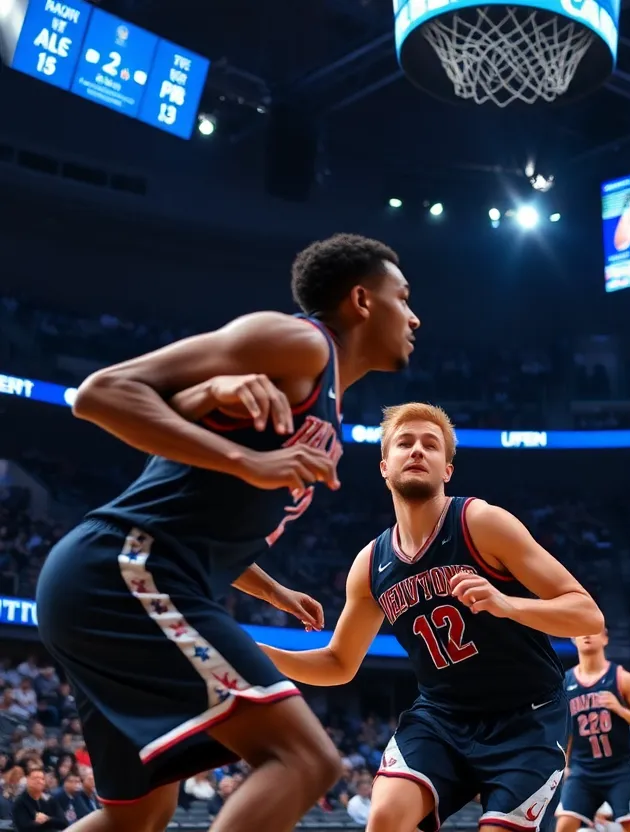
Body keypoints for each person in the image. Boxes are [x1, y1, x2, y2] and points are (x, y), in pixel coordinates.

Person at [35, 233, 420, 832]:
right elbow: (100, 394)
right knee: (305, 759)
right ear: (363, 301)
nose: (414, 315)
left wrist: (271, 591)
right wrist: (246, 460)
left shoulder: (327, 401)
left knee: (136, 817)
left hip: (115, 575)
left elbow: (196, 504)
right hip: (126, 568)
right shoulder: (300, 343)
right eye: (404, 296)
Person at [258, 402, 604, 832]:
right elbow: (338, 664)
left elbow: (588, 614)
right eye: (405, 443)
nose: (417, 451)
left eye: (430, 445)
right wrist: (258, 654)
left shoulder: (481, 522)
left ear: (448, 470)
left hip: (526, 718)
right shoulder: (370, 565)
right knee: (383, 819)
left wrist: (507, 604)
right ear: (385, 466)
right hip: (441, 717)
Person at [557, 630, 630, 832]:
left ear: (606, 638)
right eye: (580, 631)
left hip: (619, 768)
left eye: (593, 630)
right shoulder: (565, 683)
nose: (586, 635)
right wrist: (564, 766)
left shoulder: (622, 678)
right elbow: (567, 732)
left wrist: (620, 709)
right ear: (573, 639)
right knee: (564, 824)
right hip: (582, 770)